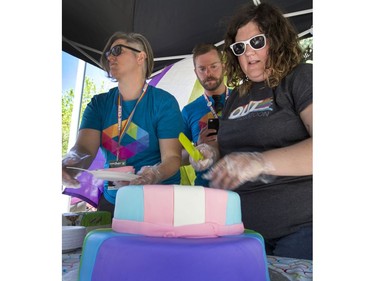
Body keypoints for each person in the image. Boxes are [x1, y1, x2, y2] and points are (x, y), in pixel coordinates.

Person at [189, 2, 312, 260]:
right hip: (242, 232)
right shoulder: (237, 96)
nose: (248, 53)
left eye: (257, 42)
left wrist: (259, 161)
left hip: (302, 231)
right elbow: (225, 143)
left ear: (276, 40)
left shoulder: (300, 77)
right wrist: (209, 152)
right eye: (239, 47)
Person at [62, 32, 183, 217]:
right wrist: (71, 160)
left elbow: (172, 158)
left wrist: (153, 174)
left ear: (140, 56)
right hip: (113, 201)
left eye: (117, 50)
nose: (110, 56)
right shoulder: (99, 104)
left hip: (158, 203)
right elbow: (84, 148)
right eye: (108, 53)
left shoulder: (163, 103)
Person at [181, 43, 231, 186]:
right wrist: (197, 147)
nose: (208, 73)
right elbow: (176, 157)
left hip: (244, 188)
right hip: (206, 189)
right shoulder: (188, 111)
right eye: (202, 69)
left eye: (213, 66)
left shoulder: (242, 98)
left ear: (224, 66)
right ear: (196, 72)